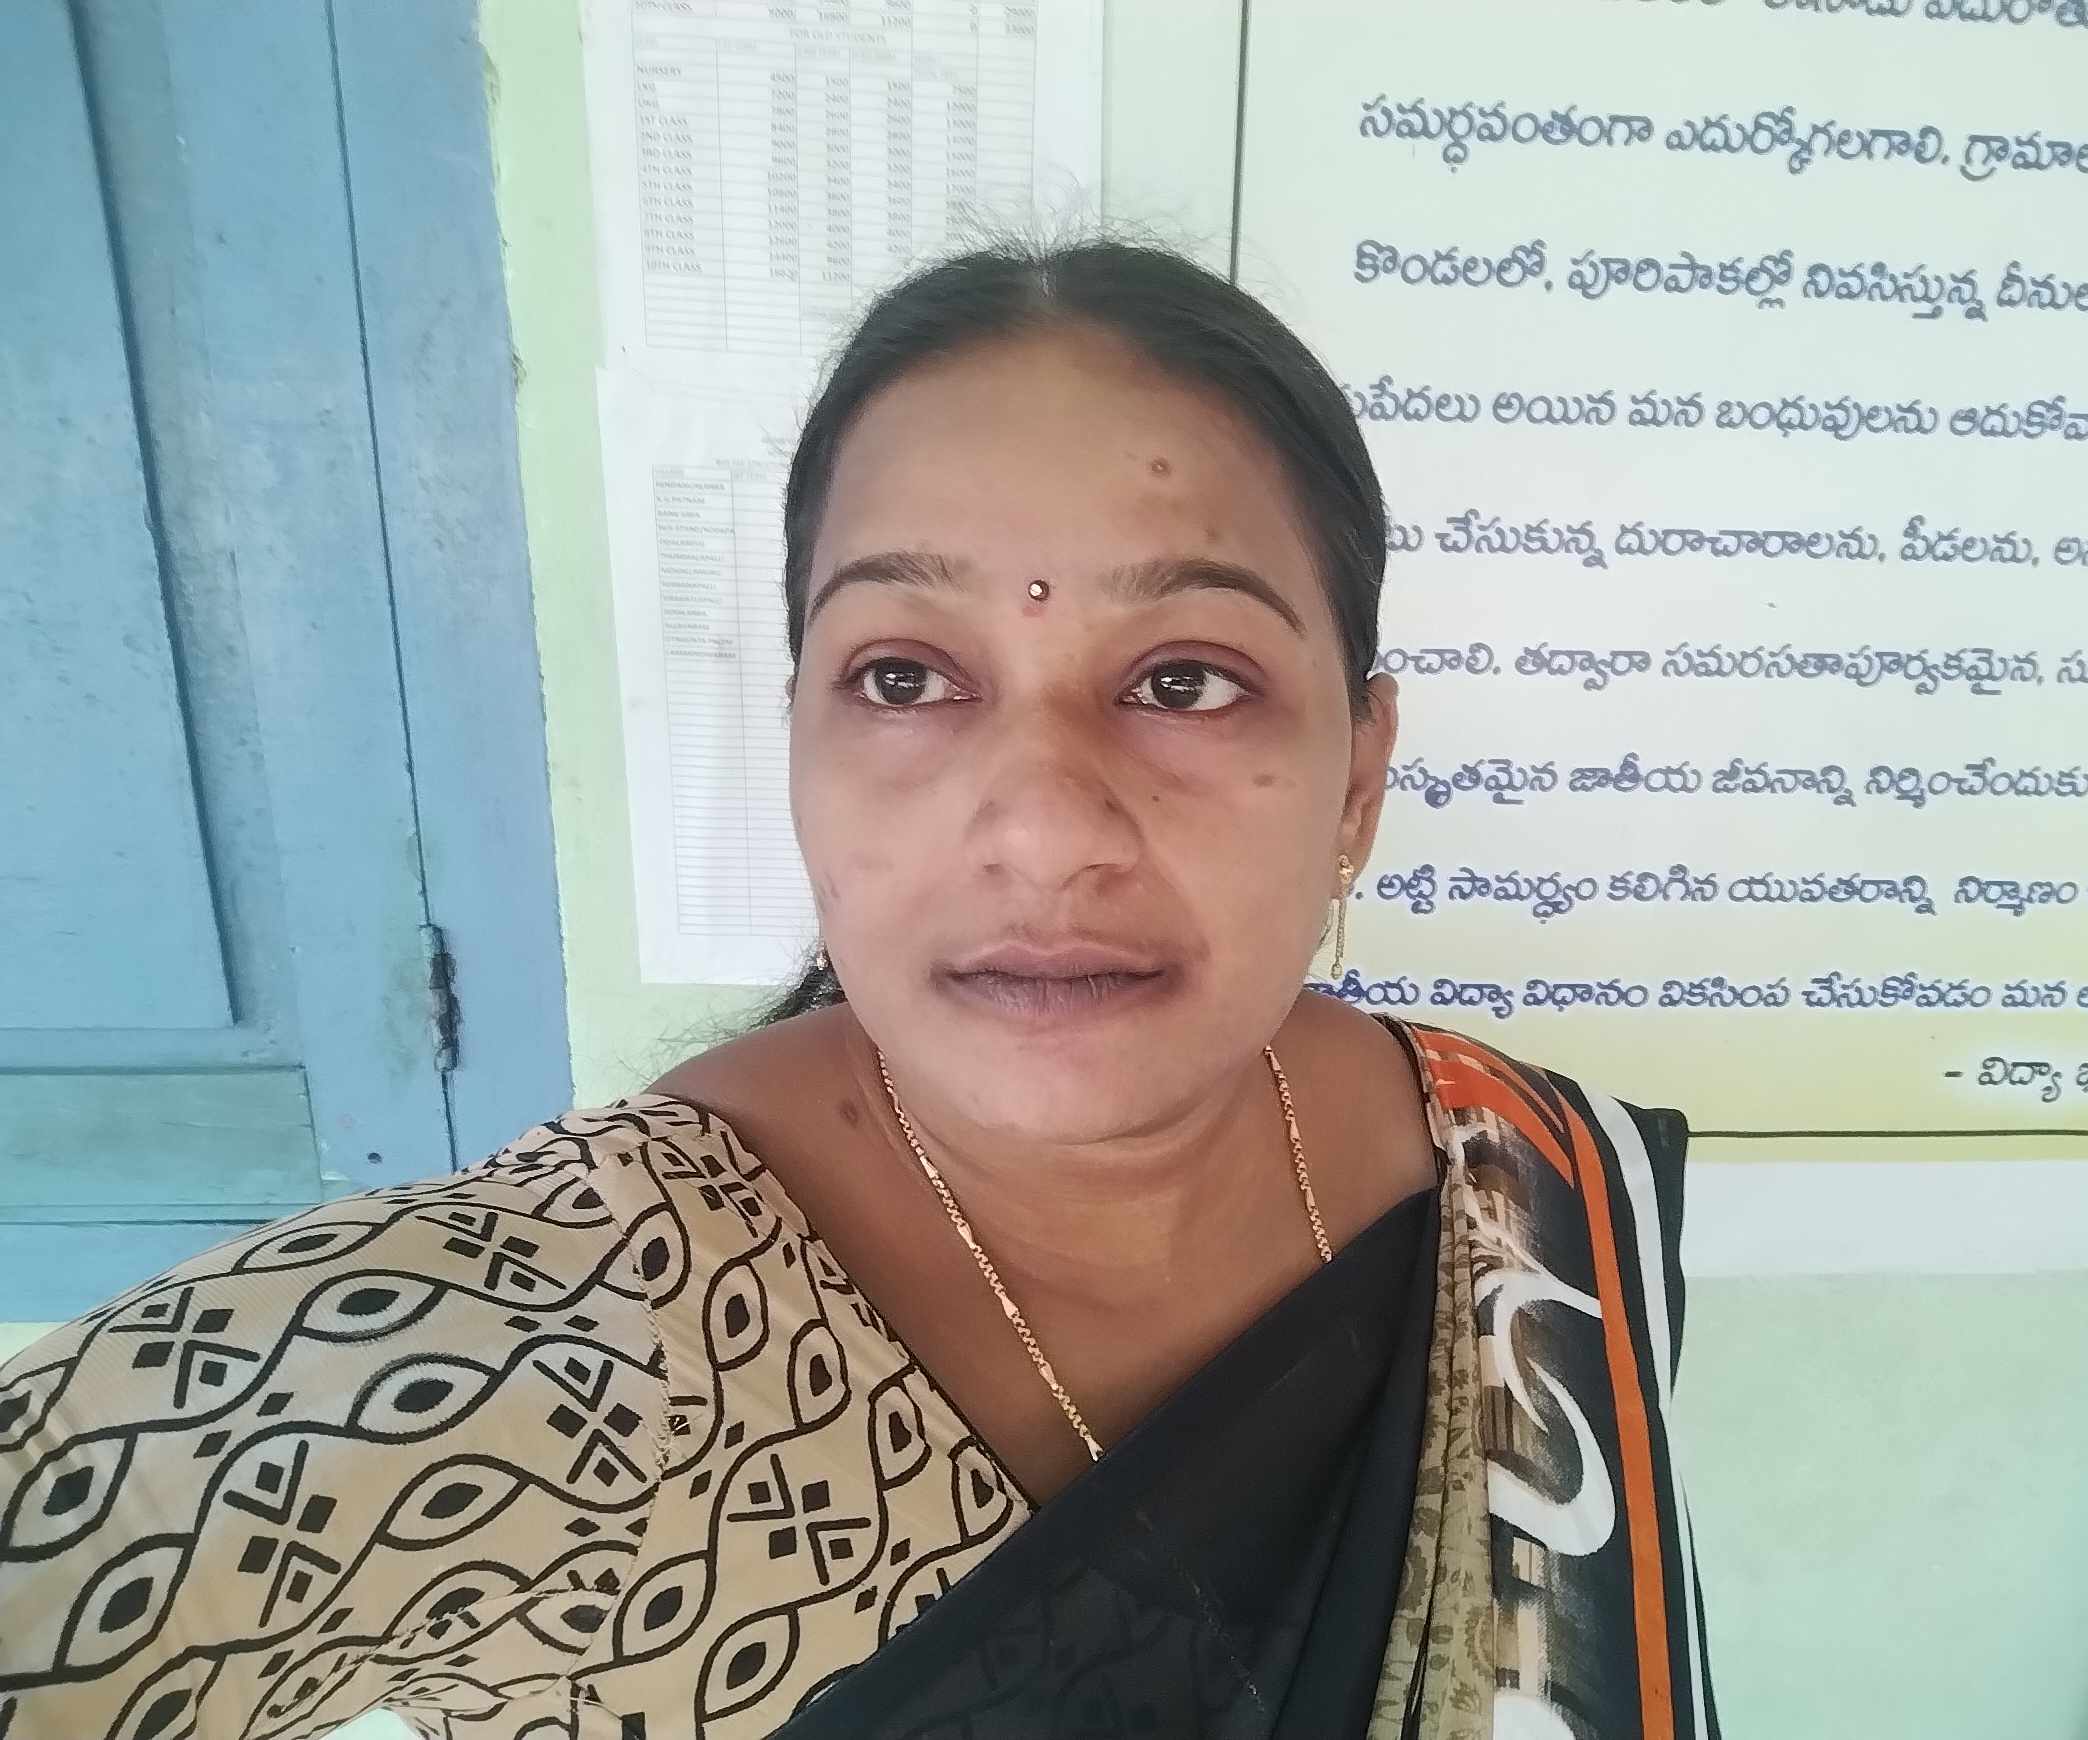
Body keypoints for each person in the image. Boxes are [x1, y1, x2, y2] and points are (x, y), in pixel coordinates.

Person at [0, 241, 1716, 1739]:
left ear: (1359, 777)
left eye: (1185, 680)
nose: (1042, 826)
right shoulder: (553, 1339)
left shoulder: (1537, 1184)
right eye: (905, 676)